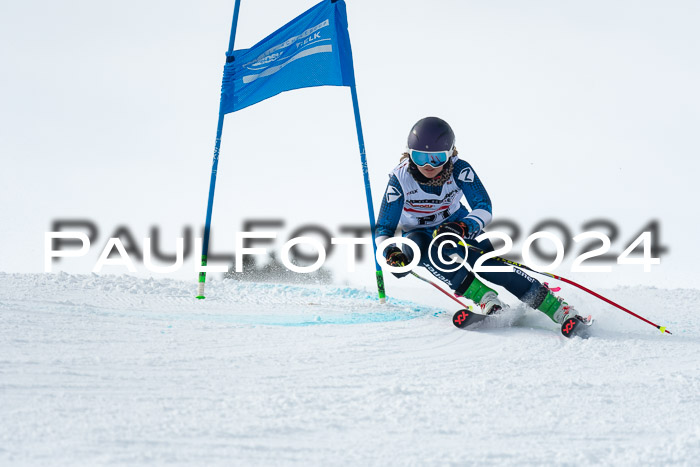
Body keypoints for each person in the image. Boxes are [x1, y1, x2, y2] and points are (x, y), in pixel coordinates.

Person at [375, 116, 583, 325]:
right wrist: (390, 251)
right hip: (418, 232)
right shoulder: (400, 179)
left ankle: (559, 309)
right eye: (420, 157)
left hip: (455, 224)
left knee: (490, 266)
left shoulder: (459, 170)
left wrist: (463, 226)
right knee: (421, 248)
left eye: (437, 158)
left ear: (449, 154)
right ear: (409, 155)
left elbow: (483, 206)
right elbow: (384, 227)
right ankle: (487, 300)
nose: (428, 165)